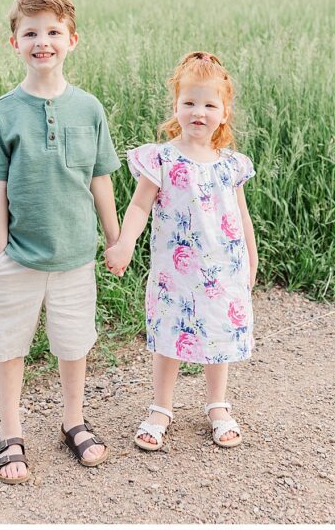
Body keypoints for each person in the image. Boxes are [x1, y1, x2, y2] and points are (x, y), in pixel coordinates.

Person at [0, 0, 121, 484]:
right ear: (13, 41)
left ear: (72, 40)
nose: (43, 41)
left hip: (75, 254)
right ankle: (9, 432)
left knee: (73, 343)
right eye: (30, 32)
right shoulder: (3, 112)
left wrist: (115, 237)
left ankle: (73, 421)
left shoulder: (89, 108)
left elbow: (101, 178)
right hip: (17, 254)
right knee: (8, 345)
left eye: (53, 32)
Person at [105, 52, 257, 451]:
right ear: (176, 106)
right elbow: (139, 206)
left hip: (223, 267)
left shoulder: (231, 164)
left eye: (209, 104)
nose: (198, 112)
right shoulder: (162, 158)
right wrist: (124, 243)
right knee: (170, 334)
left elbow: (241, 215)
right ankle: (161, 407)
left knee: (217, 333)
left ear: (224, 112)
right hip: (176, 271)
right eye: (189, 102)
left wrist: (252, 260)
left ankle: (218, 406)